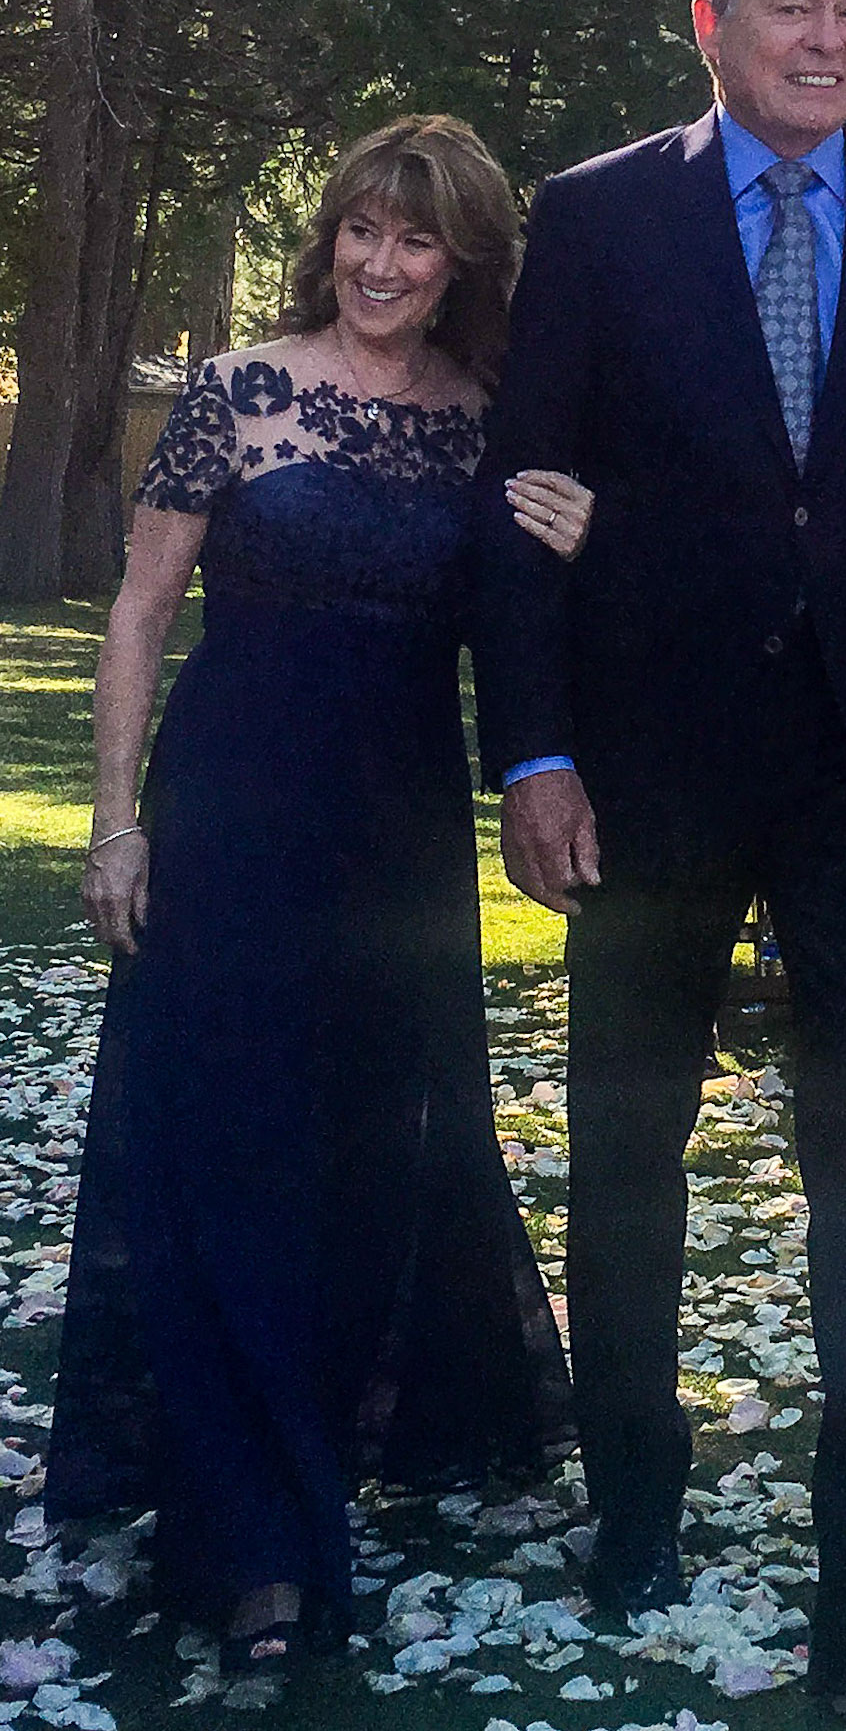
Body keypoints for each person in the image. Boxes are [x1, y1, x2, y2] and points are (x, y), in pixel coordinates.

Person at [472, 0, 846, 1713]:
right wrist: (534, 752)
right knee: (627, 1149)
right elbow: (524, 501)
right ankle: (634, 1503)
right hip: (648, 764)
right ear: (710, 23)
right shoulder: (598, 214)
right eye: (794, 8)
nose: (828, 43)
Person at [50, 115, 591, 1670]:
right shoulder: (237, 390)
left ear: (461, 264)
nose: (381, 262)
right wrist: (114, 825)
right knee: (225, 1148)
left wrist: (587, 541)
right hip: (229, 819)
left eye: (416, 239)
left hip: (398, 844)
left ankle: (320, 1433)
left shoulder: (492, 427)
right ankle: (257, 1547)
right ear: (328, 239)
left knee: (366, 1159)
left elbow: (544, 636)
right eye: (362, 228)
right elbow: (141, 610)